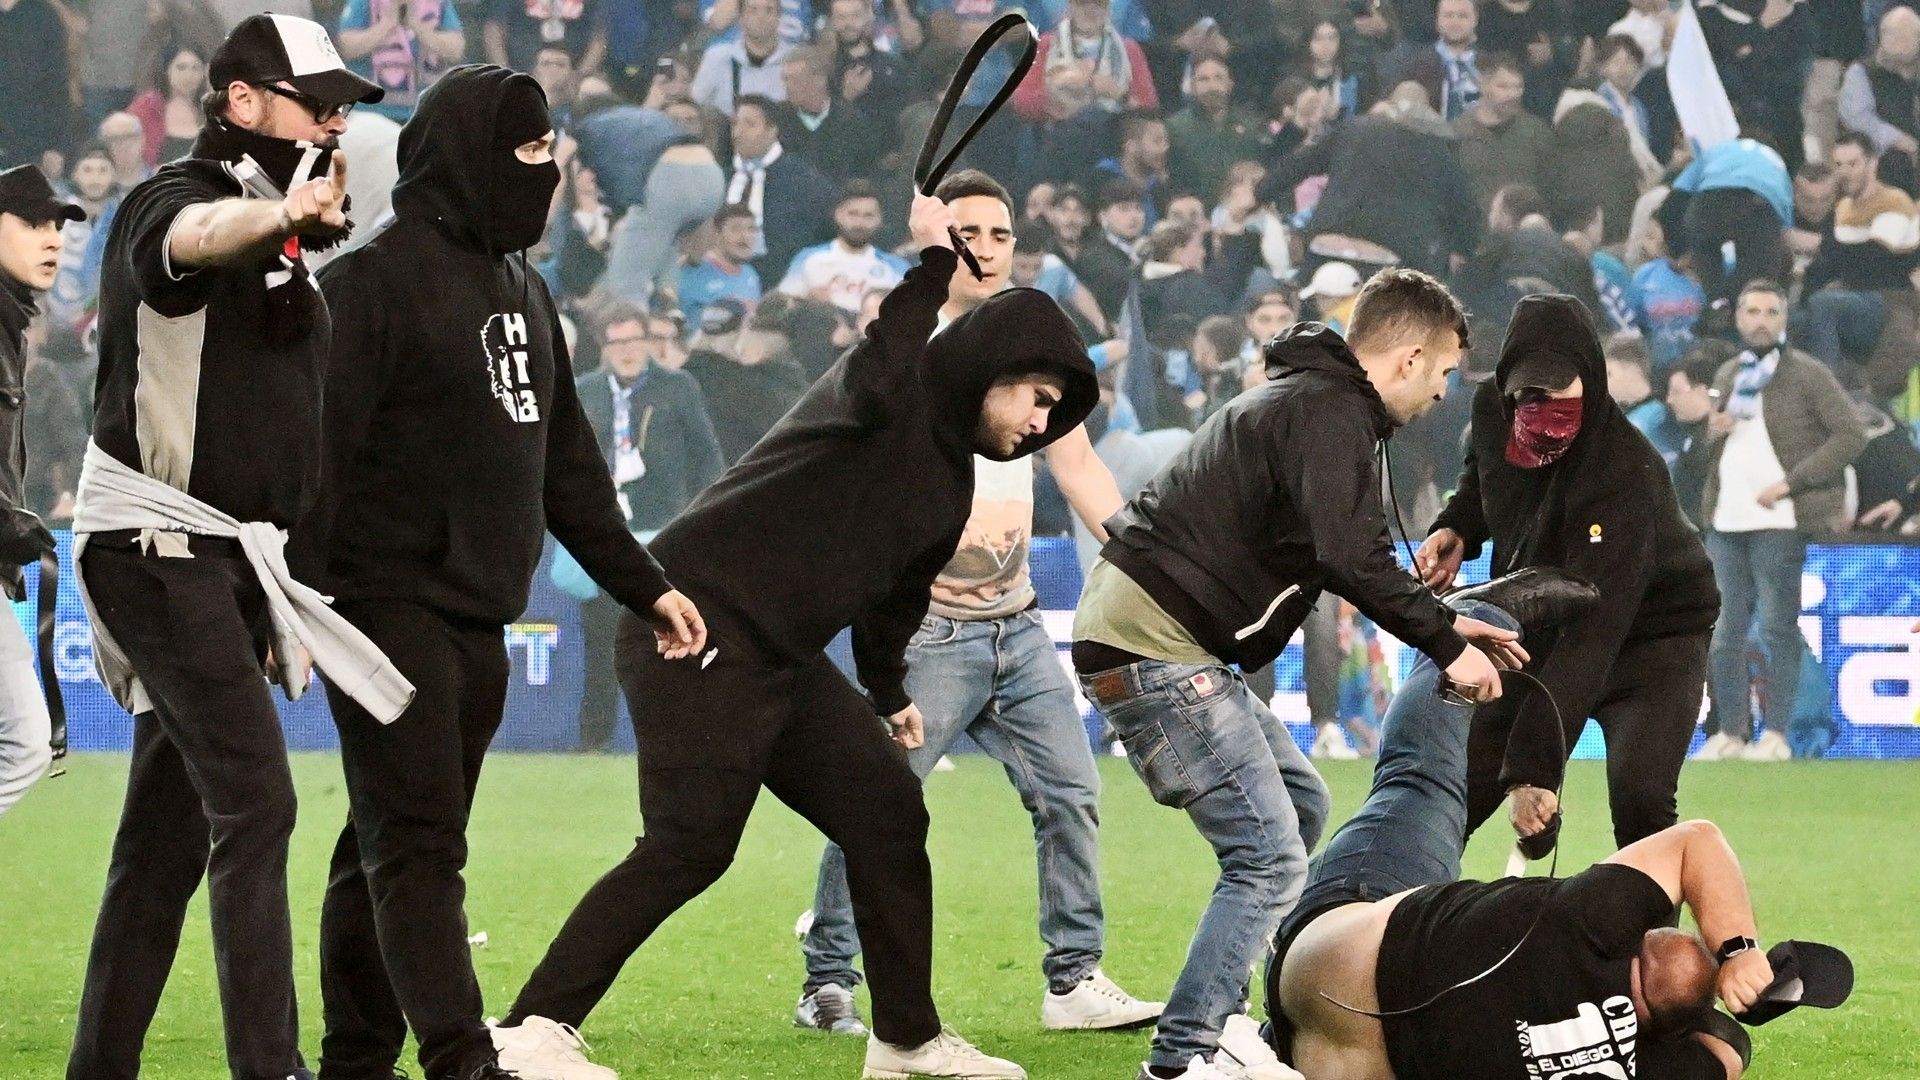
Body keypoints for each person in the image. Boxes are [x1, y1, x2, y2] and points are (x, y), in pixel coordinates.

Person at [489, 189, 1097, 1080]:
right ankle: (532, 1028)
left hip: (780, 655)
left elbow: (892, 602)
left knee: (890, 813)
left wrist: (889, 697)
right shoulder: (883, 394)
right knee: (692, 843)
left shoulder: (952, 482)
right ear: (992, 366)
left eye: (1054, 414)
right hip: (691, 623)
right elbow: (890, 343)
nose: (1041, 425)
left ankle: (905, 1040)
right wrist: (933, 258)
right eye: (1038, 399)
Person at [294, 65, 707, 1080]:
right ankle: (458, 1059)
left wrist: (644, 584)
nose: (551, 167)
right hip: (381, 609)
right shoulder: (367, 287)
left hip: (481, 614)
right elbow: (315, 462)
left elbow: (570, 474)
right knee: (420, 845)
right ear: (471, 154)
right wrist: (289, 601)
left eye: (552, 146)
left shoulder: (526, 292)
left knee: (386, 846)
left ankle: (355, 1058)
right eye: (528, 149)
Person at [1072, 268, 1526, 1080]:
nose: (1445, 392)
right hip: (1157, 643)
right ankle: (1186, 1055)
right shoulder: (1328, 411)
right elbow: (1345, 553)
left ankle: (1232, 1026)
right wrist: (1449, 648)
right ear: (1410, 356)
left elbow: (1344, 550)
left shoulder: (1315, 400)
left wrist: (1446, 621)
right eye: (1447, 372)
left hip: (1164, 635)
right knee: (1270, 855)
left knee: (1302, 806)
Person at [64, 16, 391, 1080]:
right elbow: (193, 240)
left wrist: (290, 224)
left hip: (216, 558)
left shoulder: (284, 229)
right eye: (315, 98)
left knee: (160, 846)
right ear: (241, 103)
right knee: (259, 802)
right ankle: (272, 1069)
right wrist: (277, 215)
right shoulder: (176, 197)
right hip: (160, 545)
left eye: (344, 100)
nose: (336, 117)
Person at [794, 168, 1160, 1040]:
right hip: (929, 629)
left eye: (1000, 235)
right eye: (968, 233)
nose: (987, 249)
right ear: (935, 241)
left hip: (1020, 621)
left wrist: (1149, 562)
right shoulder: (907, 350)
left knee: (1070, 794)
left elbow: (1078, 469)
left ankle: (1072, 980)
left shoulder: (1031, 342)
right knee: (878, 804)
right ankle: (828, 982)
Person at [1265, 589, 1776, 1080]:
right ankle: (1264, 1040)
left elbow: (1697, 842)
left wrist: (1740, 951)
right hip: (1312, 1062)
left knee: (1422, 783)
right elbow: (1729, 1051)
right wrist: (1692, 1020)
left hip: (1324, 951)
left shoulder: (1592, 922)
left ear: (1634, 940)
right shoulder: (1649, 1070)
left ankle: (1465, 623)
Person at [1415, 295, 1719, 855]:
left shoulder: (1627, 470)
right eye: (1528, 394)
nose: (1542, 406)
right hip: (1539, 618)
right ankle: (1387, 915)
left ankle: (1649, 939)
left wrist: (1532, 769)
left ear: (1593, 379)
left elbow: (1595, 630)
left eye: (1559, 390)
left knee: (1641, 799)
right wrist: (1458, 525)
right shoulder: (1491, 412)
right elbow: (1483, 479)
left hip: (1652, 640)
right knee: (1457, 789)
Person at [1698, 280, 1866, 763]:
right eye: (1752, 311)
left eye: (1771, 311)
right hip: (1726, 519)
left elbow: (1851, 434)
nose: (1761, 320)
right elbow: (1715, 449)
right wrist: (1712, 430)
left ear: (1784, 320)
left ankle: (1777, 734)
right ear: (1738, 318)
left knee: (1776, 625)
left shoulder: (1808, 375)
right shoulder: (1730, 372)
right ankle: (1731, 731)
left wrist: (1793, 482)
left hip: (1779, 517)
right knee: (1724, 629)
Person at [571, 306, 723, 752]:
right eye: (617, 342)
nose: (627, 351)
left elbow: (707, 460)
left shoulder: (677, 388)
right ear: (604, 348)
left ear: (647, 341)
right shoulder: (585, 392)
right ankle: (592, 742)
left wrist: (705, 522)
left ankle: (677, 741)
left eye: (634, 340)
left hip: (665, 535)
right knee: (600, 645)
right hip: (605, 538)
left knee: (672, 639)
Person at [0, 165, 76, 819]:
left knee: (24, 741)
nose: (50, 237)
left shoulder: (9, 329)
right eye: (31, 223)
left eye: (56, 224)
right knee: (23, 743)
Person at [724, 94, 836, 281]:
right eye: (735, 124)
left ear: (772, 130)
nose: (738, 133)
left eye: (749, 124)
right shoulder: (723, 178)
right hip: (725, 276)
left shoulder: (803, 180)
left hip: (785, 277)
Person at [778, 181, 909, 314]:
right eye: (853, 214)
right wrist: (807, 300)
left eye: (868, 216)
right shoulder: (807, 258)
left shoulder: (897, 268)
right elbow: (782, 306)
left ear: (880, 219)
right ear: (838, 215)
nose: (859, 223)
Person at [335, 0, 468, 121]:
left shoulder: (438, 2)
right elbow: (347, 48)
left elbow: (455, 51)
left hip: (426, 112)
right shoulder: (363, 2)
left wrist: (416, 25)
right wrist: (388, 24)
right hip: (370, 113)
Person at [690, 0, 791, 115]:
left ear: (779, 17)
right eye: (753, 10)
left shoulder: (793, 59)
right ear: (741, 17)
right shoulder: (716, 57)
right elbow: (695, 105)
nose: (761, 17)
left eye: (769, 10)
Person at [677, 202, 763, 324]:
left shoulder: (751, 274)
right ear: (717, 234)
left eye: (751, 229)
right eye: (735, 229)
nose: (745, 237)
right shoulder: (693, 272)